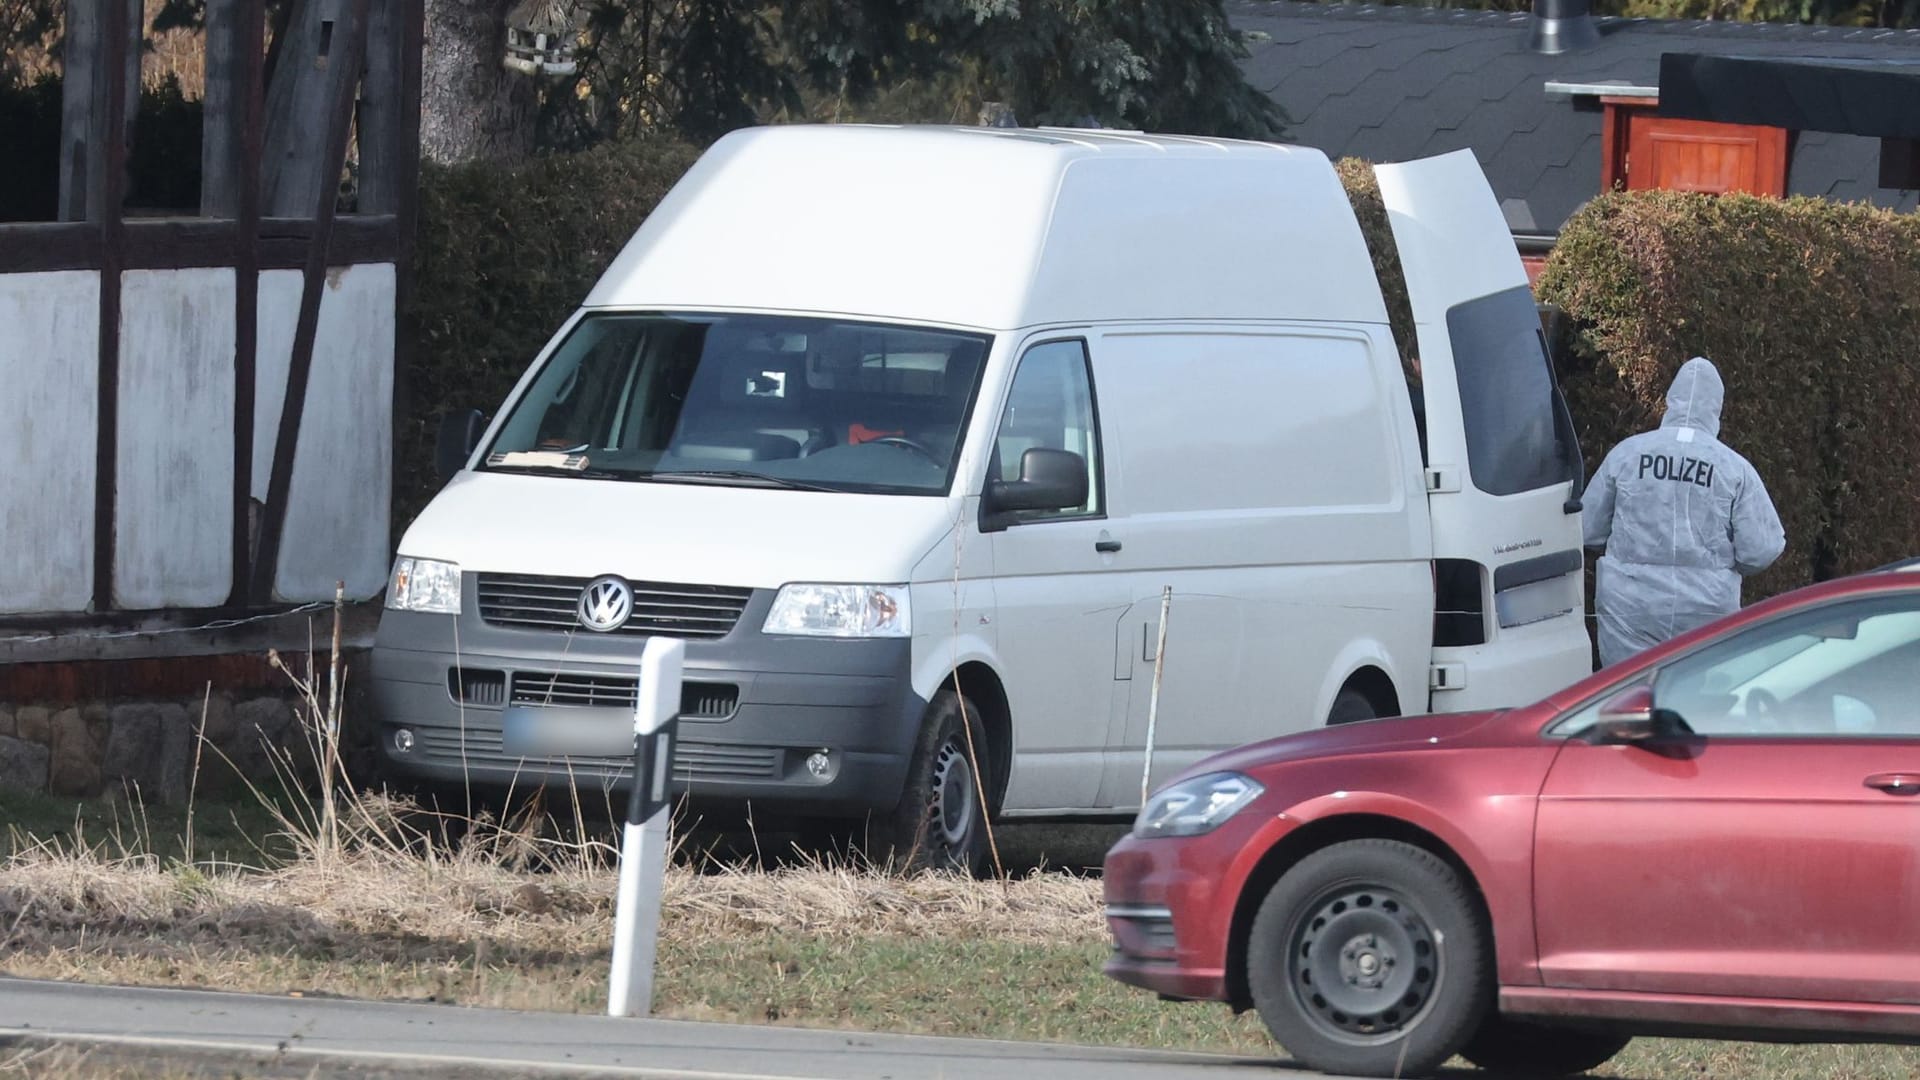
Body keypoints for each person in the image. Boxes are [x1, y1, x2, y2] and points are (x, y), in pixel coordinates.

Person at [1581, 356, 1785, 668]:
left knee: (1627, 693)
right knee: (1699, 698)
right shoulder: (1733, 467)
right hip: (1706, 610)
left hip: (1631, 604)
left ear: (1670, 400)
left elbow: (1588, 527)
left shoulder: (1628, 453)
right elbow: (1761, 549)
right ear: (1716, 407)